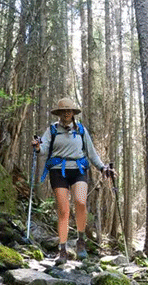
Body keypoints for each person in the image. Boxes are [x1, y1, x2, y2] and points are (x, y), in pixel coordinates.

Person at [32, 98, 115, 264]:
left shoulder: (81, 130)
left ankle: (81, 241)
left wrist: (102, 168)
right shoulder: (52, 130)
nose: (67, 113)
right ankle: (62, 250)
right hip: (58, 171)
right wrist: (38, 146)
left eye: (69, 110)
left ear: (73, 113)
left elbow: (92, 154)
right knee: (63, 210)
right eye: (64, 111)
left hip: (79, 170)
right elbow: (43, 150)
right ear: (60, 113)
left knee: (80, 202)